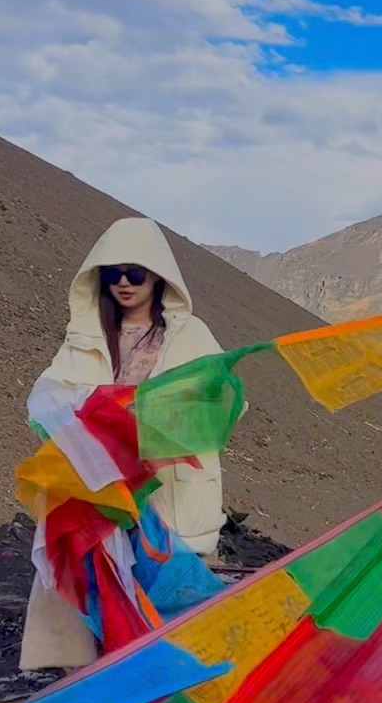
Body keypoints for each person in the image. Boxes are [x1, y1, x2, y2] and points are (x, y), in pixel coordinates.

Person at [18, 216, 229, 671]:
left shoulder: (191, 337)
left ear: (159, 276)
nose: (125, 284)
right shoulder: (87, 338)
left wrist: (147, 422)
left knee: (167, 594)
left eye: (136, 272)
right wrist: (92, 413)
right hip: (100, 486)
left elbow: (219, 402)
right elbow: (48, 395)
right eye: (113, 274)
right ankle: (81, 677)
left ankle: (177, 687)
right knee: (85, 572)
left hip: (164, 487)